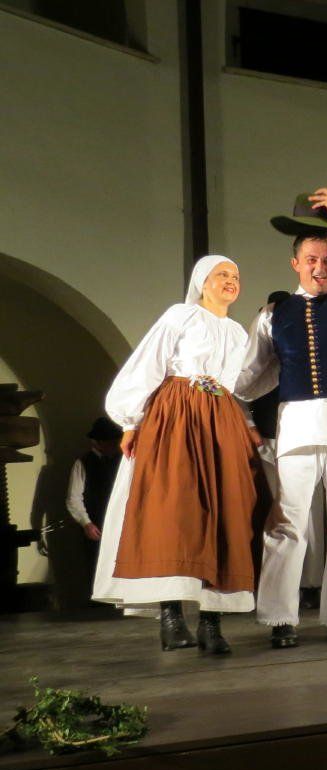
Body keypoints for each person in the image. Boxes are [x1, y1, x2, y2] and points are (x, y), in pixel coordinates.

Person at [237, 188, 327, 648]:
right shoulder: (273, 314)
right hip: (299, 427)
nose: (320, 268)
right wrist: (228, 407)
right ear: (295, 264)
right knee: (288, 523)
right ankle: (280, 617)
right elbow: (249, 377)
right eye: (311, 260)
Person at [92, 256, 259, 654]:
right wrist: (130, 420)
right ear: (202, 282)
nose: (231, 281)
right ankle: (171, 617)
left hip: (220, 418)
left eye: (235, 276)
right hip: (178, 415)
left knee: (222, 513)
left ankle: (211, 622)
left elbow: (245, 382)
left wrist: (247, 424)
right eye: (222, 275)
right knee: (174, 512)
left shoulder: (237, 332)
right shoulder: (181, 315)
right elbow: (148, 363)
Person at [249, 387, 325, 607]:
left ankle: (310, 583)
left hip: (306, 432)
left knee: (310, 510)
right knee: (275, 511)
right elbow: (242, 386)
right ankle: (274, 585)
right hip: (267, 432)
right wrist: (249, 424)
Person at [65, 416, 122, 584]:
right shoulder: (83, 463)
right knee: (98, 573)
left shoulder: (123, 461)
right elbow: (73, 498)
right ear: (98, 442)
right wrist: (86, 523)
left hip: (121, 526)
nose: (115, 446)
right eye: (110, 442)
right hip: (97, 527)